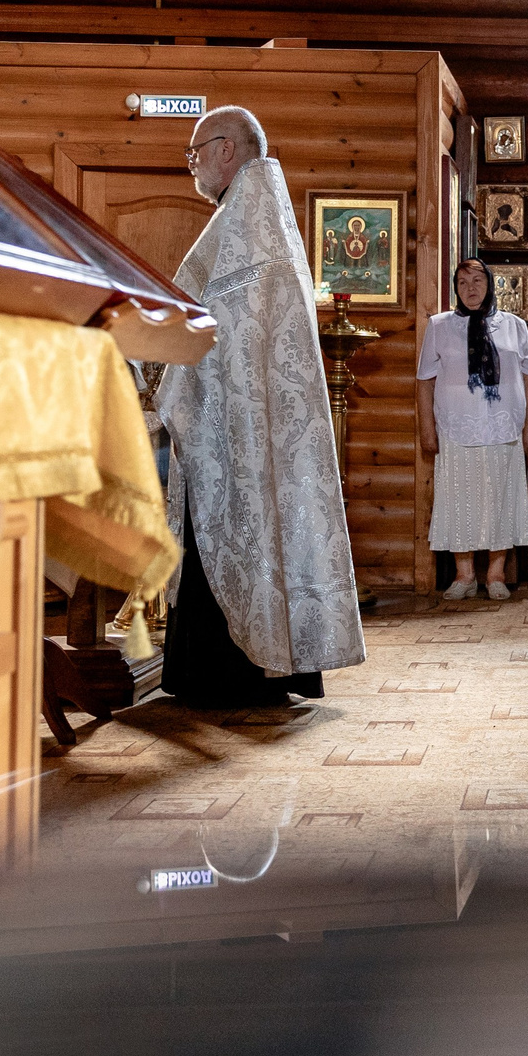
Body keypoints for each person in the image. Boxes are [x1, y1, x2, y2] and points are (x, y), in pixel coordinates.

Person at [158, 106, 366, 705]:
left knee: (238, 523)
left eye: (196, 152)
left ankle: (226, 676)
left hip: (232, 424)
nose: (193, 165)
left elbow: (210, 331)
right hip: (244, 419)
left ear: (227, 150)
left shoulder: (242, 225)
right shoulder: (258, 218)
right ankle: (272, 661)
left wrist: (161, 373)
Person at [418, 258, 528, 602]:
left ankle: (496, 574)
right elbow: (424, 381)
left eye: (477, 281)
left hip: (504, 427)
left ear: (490, 284)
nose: (470, 288)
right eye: (462, 282)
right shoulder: (439, 326)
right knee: (459, 500)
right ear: (456, 289)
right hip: (456, 428)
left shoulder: (513, 325)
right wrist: (427, 429)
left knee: (500, 498)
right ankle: (464, 574)